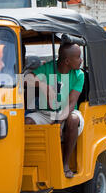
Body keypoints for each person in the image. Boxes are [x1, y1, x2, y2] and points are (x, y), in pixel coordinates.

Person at [25, 43, 85, 178]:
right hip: (46, 113)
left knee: (73, 119)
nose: (81, 60)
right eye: (78, 57)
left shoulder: (79, 74)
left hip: (67, 112)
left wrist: (57, 122)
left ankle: (65, 164)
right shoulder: (47, 68)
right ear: (67, 61)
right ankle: (31, 163)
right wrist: (42, 85)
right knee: (27, 122)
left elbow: (71, 103)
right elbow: (26, 79)